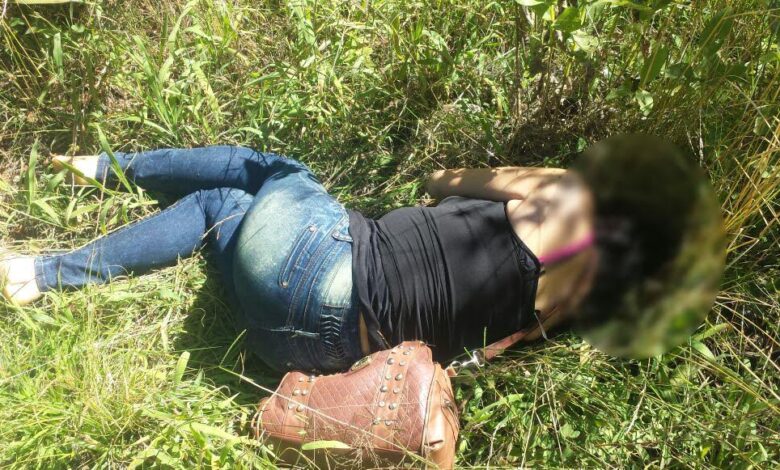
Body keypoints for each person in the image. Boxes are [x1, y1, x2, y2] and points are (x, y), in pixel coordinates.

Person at [0, 135, 724, 372]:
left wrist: (462, 188)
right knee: (221, 208)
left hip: (321, 270)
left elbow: (442, 179)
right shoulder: (578, 306)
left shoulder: (566, 196)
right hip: (310, 353)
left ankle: (101, 176)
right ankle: (40, 269)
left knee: (272, 170)